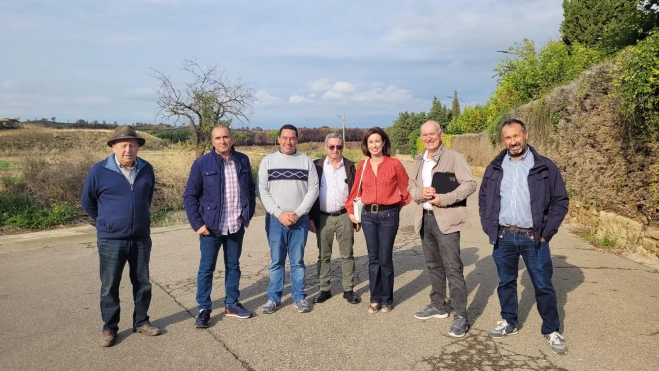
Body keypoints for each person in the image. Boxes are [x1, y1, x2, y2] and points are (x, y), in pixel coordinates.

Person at [478, 119, 569, 354]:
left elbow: (560, 201)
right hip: (503, 236)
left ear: (526, 134)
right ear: (503, 140)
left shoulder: (545, 166)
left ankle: (551, 330)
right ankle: (509, 321)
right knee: (506, 282)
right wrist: (490, 227)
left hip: (533, 238)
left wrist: (546, 233)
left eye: (516, 136)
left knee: (543, 285)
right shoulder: (495, 167)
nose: (512, 141)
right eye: (507, 138)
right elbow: (484, 198)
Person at [81, 125, 160, 347]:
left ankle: (142, 321)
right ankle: (109, 328)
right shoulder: (99, 171)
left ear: (138, 147)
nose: (128, 149)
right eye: (123, 144)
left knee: (143, 282)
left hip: (141, 238)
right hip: (110, 239)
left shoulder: (146, 169)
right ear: (114, 146)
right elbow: (88, 202)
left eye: (132, 145)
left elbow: (147, 197)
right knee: (109, 285)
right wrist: (105, 221)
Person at [408, 120, 477, 338]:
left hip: (445, 221)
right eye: (424, 135)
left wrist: (444, 199)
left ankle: (461, 316)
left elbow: (469, 184)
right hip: (425, 219)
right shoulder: (419, 160)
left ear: (441, 134)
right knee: (433, 266)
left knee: (452, 268)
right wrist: (421, 193)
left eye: (432, 134)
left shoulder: (454, 157)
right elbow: (411, 187)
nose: (428, 138)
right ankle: (438, 305)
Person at [183, 124, 256, 328]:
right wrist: (197, 224)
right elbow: (190, 195)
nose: (222, 141)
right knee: (206, 268)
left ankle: (231, 303)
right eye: (218, 138)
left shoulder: (242, 160)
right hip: (211, 227)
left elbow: (250, 187)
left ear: (231, 138)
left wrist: (247, 213)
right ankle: (204, 308)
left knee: (233, 266)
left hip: (235, 224)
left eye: (225, 137)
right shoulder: (202, 164)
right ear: (212, 141)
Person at [345, 127, 411, 313]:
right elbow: (355, 190)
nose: (374, 145)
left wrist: (395, 206)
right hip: (367, 216)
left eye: (377, 141)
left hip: (389, 215)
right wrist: (351, 210)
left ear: (383, 143)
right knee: (373, 258)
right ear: (366, 145)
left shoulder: (394, 164)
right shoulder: (362, 165)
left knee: (385, 259)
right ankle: (375, 298)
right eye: (370, 142)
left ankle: (387, 299)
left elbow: (406, 188)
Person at [258, 124, 319, 313]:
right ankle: (274, 298)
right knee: (276, 261)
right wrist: (279, 214)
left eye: (292, 138)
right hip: (276, 220)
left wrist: (298, 213)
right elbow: (262, 190)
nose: (288, 141)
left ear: (297, 140)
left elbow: (313, 189)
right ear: (278, 139)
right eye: (285, 138)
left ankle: (299, 297)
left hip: (299, 220)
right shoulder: (268, 161)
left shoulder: (306, 162)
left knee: (297, 261)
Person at [309, 133, 361, 305]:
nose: (335, 150)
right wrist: (310, 217)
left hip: (344, 216)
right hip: (323, 217)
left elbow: (356, 193)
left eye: (339, 147)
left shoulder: (349, 166)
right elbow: (310, 193)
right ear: (325, 147)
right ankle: (324, 289)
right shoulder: (316, 166)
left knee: (347, 254)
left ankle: (348, 289)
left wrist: (357, 217)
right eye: (332, 147)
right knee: (324, 255)